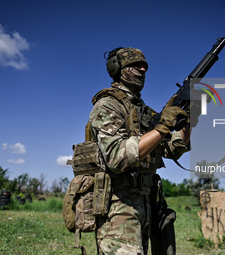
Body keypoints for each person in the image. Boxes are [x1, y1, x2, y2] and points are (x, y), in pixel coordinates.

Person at [89, 47, 191, 254]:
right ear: (117, 68)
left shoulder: (143, 111)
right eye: (135, 65)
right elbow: (117, 157)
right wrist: (162, 127)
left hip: (147, 200)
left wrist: (187, 120)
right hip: (119, 205)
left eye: (144, 65)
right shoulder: (107, 105)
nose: (143, 69)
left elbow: (172, 149)